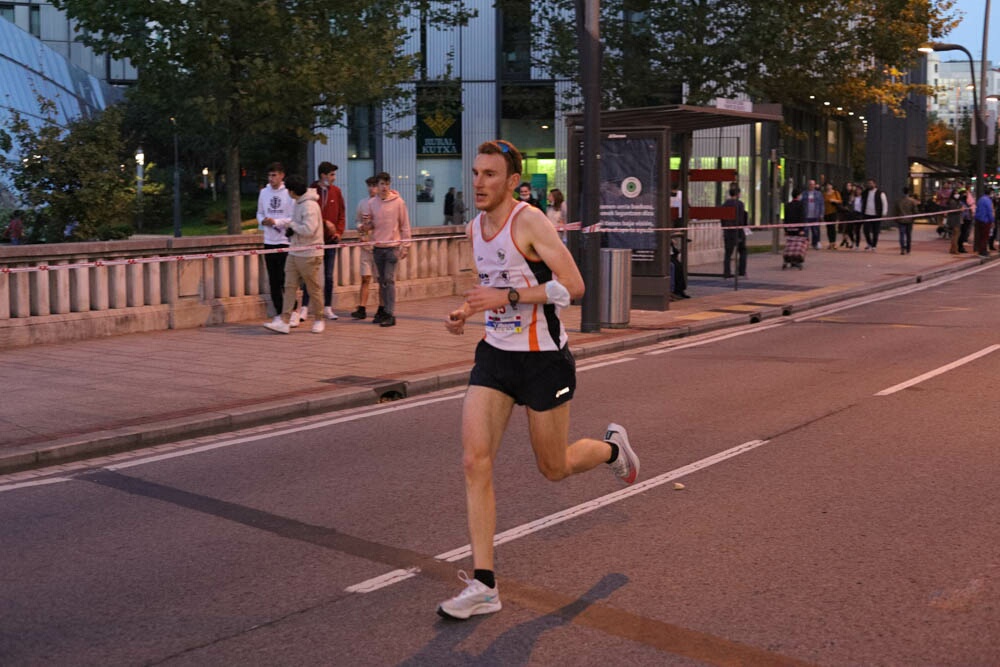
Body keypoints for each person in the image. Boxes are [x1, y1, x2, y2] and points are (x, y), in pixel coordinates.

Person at [438, 140, 639, 620]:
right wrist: (465, 310)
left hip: (544, 359)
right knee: (473, 460)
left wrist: (506, 297)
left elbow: (573, 287)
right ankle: (484, 584)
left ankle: (613, 449)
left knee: (553, 468)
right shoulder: (474, 227)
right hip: (496, 358)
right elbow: (492, 286)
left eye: (491, 174)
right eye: (476, 173)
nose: (480, 182)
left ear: (512, 181)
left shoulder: (528, 220)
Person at [263, 175, 326, 334]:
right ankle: (284, 321)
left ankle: (319, 318)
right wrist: (293, 229)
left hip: (310, 253)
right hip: (295, 251)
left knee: (313, 287)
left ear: (292, 192)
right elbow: (300, 227)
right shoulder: (299, 203)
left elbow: (309, 230)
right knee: (289, 286)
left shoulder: (309, 206)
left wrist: (292, 225)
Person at [300, 162, 346, 322]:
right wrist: (325, 221)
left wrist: (339, 232)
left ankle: (328, 307)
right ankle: (304, 307)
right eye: (331, 174)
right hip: (313, 240)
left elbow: (341, 214)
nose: (333, 178)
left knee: (328, 275)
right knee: (309, 274)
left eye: (334, 175)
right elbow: (307, 213)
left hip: (331, 240)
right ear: (323, 175)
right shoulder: (310, 191)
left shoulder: (337, 192)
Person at [369, 171, 411, 328]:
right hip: (378, 246)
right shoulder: (372, 203)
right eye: (381, 184)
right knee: (381, 281)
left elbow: (404, 224)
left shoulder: (398, 202)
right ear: (377, 186)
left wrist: (406, 245)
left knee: (389, 279)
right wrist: (365, 226)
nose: (384, 187)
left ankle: (390, 313)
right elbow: (371, 223)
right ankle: (384, 310)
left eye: (387, 184)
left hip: (392, 246)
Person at [256, 162, 295, 327]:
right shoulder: (264, 193)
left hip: (284, 241)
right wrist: (263, 221)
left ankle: (292, 310)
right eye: (269, 175)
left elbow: (293, 217)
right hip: (268, 241)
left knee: (286, 278)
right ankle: (279, 312)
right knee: (273, 279)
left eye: (274, 175)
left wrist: (277, 221)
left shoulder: (288, 194)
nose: (271, 178)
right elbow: (259, 212)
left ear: (282, 175)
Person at [351, 176, 381, 320]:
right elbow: (357, 220)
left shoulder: (382, 203)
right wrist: (360, 228)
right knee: (365, 277)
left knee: (381, 279)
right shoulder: (362, 203)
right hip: (365, 244)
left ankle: (382, 307)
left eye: (374, 185)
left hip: (379, 245)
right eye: (369, 186)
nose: (371, 189)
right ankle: (362, 307)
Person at [721, 184, 748, 278]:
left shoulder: (724, 204)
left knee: (728, 253)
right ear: (738, 194)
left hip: (728, 231)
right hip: (738, 231)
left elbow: (722, 219)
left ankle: (727, 272)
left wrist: (724, 228)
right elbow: (741, 219)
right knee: (743, 251)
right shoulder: (740, 204)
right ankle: (741, 271)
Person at [861, 178, 887, 251]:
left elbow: (884, 203)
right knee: (866, 230)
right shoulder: (865, 192)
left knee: (875, 231)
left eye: (871, 183)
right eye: (868, 183)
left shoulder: (880, 193)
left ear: (875, 184)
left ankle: (874, 245)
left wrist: (884, 212)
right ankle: (869, 243)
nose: (869, 185)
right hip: (867, 214)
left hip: (876, 215)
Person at [894, 187, 919, 255]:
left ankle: (902, 249)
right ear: (909, 192)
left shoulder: (898, 201)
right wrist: (913, 218)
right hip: (909, 220)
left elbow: (896, 210)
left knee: (901, 235)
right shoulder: (912, 201)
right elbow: (915, 211)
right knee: (908, 235)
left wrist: (896, 218)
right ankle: (908, 249)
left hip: (901, 220)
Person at [801, 179, 824, 250]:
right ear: (808, 185)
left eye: (813, 184)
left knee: (816, 231)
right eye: (810, 184)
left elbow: (821, 204)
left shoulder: (818, 194)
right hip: (806, 215)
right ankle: (806, 244)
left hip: (815, 215)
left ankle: (815, 243)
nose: (811, 186)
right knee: (806, 231)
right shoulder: (804, 193)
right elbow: (801, 204)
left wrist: (821, 214)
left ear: (815, 185)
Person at [973, 186, 996, 257]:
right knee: (985, 237)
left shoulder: (981, 199)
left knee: (981, 236)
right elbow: (990, 211)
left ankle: (981, 250)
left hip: (979, 220)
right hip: (986, 220)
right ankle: (983, 251)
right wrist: (992, 220)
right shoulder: (988, 200)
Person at [822, 182, 842, 249]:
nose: (828, 187)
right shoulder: (824, 194)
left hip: (834, 212)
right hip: (826, 213)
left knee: (833, 228)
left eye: (829, 185)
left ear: (832, 186)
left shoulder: (835, 192)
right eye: (827, 185)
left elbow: (840, 201)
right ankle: (830, 243)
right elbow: (823, 203)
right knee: (828, 228)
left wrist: (834, 200)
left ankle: (834, 243)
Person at [946, 190, 964, 254]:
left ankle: (952, 249)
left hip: (956, 219)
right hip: (954, 220)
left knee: (955, 234)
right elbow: (955, 210)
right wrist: (961, 209)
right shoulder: (952, 202)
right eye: (955, 193)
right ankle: (954, 249)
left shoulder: (956, 201)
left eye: (957, 193)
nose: (957, 195)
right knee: (955, 235)